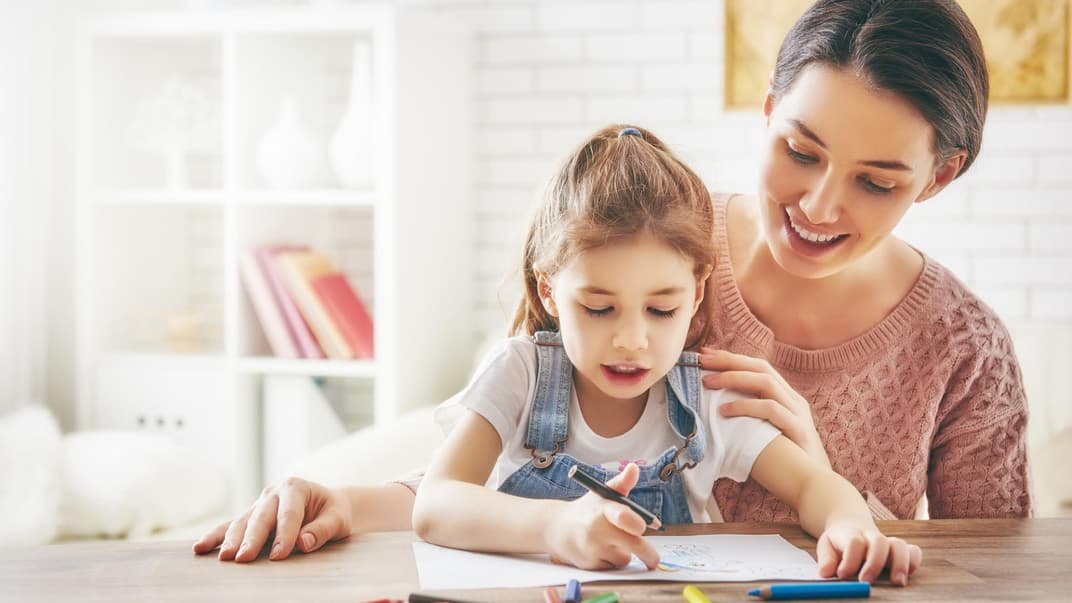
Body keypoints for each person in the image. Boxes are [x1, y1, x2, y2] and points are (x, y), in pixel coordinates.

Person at [194, 0, 1029, 565]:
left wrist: (843, 496)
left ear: (939, 177)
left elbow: (996, 572)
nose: (817, 203)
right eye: (800, 151)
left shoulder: (966, 352)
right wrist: (347, 500)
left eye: (875, 181)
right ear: (769, 107)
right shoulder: (648, 238)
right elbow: (518, 457)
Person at [410, 124, 920, 584]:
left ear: (695, 295)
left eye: (660, 311)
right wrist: (557, 526)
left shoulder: (705, 399)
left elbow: (814, 486)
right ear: (549, 293)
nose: (631, 340)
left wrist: (850, 526)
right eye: (598, 308)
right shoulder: (519, 374)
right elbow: (435, 504)